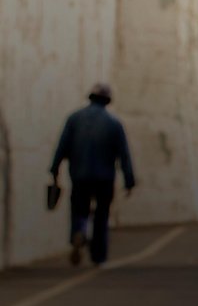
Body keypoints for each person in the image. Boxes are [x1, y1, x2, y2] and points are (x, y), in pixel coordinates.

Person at [48, 83, 135, 267]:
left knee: (79, 209)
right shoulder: (114, 123)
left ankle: (78, 232)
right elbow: (124, 155)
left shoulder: (74, 119)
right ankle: (98, 255)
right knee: (101, 215)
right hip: (104, 177)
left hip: (79, 175)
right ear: (107, 101)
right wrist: (129, 180)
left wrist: (54, 169)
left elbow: (62, 147)